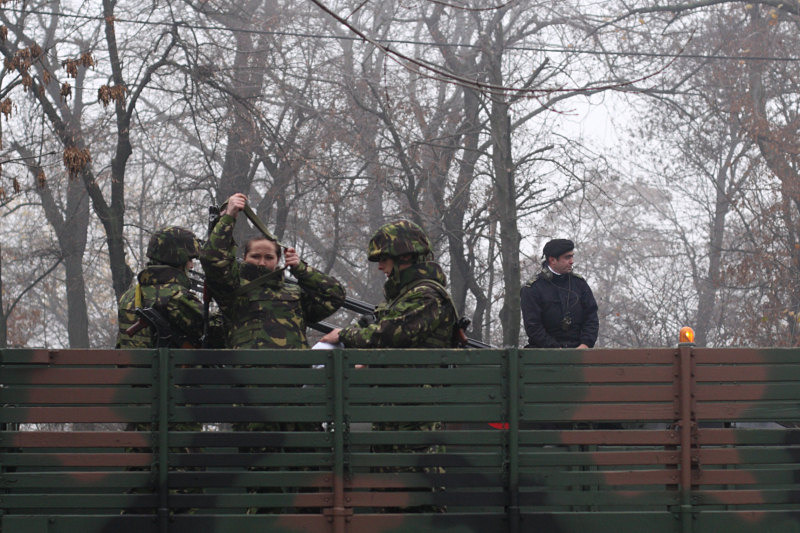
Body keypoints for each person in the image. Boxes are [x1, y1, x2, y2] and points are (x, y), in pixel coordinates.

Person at [200, 192, 345, 349]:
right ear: (245, 257)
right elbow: (212, 259)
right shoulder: (232, 287)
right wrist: (229, 217)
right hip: (248, 365)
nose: (262, 263)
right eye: (255, 256)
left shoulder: (296, 293)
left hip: (294, 366)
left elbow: (334, 295)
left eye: (269, 257)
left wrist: (301, 269)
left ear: (278, 260)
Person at [319, 219, 457, 348]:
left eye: (384, 259)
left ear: (405, 256)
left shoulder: (427, 295)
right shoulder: (403, 296)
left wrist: (343, 335)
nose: (380, 266)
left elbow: (389, 335)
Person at [117, 226, 218, 348]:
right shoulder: (176, 297)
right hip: (166, 361)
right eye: (190, 260)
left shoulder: (128, 296)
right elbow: (219, 334)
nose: (191, 266)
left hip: (134, 361)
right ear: (178, 258)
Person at [521, 238, 599, 349]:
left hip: (579, 351)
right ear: (552, 260)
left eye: (572, 256)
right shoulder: (533, 289)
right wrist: (555, 349)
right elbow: (533, 326)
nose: (572, 261)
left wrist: (585, 344)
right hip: (543, 353)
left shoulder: (579, 284)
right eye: (567, 257)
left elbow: (591, 317)